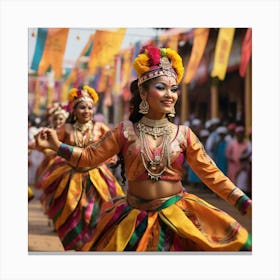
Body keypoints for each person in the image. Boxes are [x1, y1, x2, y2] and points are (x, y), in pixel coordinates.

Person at [36, 45, 252, 252]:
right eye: (161, 87)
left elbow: (212, 175)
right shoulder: (124, 131)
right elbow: (88, 157)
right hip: (134, 220)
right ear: (144, 92)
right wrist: (57, 145)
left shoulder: (184, 134)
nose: (170, 94)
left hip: (178, 218)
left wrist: (244, 203)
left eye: (174, 89)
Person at [35, 85, 125, 250]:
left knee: (102, 211)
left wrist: (114, 156)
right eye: (82, 107)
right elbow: (50, 146)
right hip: (72, 177)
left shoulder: (100, 127)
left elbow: (115, 145)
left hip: (98, 177)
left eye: (90, 107)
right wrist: (40, 146)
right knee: (72, 211)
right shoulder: (66, 129)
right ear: (74, 110)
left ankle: (94, 244)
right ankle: (79, 244)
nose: (86, 111)